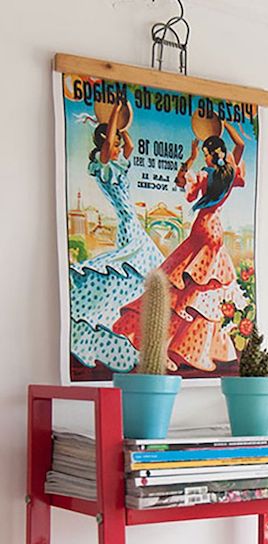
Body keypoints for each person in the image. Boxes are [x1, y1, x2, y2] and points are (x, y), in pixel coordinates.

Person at [113, 119, 248, 373]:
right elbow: (240, 144)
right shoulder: (229, 171)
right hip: (216, 233)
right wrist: (228, 124)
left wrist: (190, 157)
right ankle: (188, 345)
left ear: (208, 155)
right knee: (202, 289)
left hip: (201, 229)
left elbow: (180, 182)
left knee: (178, 284)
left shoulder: (205, 174)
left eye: (205, 155)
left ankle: (168, 344)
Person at [69, 100, 162, 372]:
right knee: (141, 268)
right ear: (105, 144)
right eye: (115, 142)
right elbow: (110, 145)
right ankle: (116, 316)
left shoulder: (116, 162)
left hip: (129, 221)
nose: (120, 146)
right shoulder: (104, 164)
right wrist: (112, 120)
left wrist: (123, 126)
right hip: (127, 220)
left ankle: (125, 319)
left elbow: (128, 147)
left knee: (138, 272)